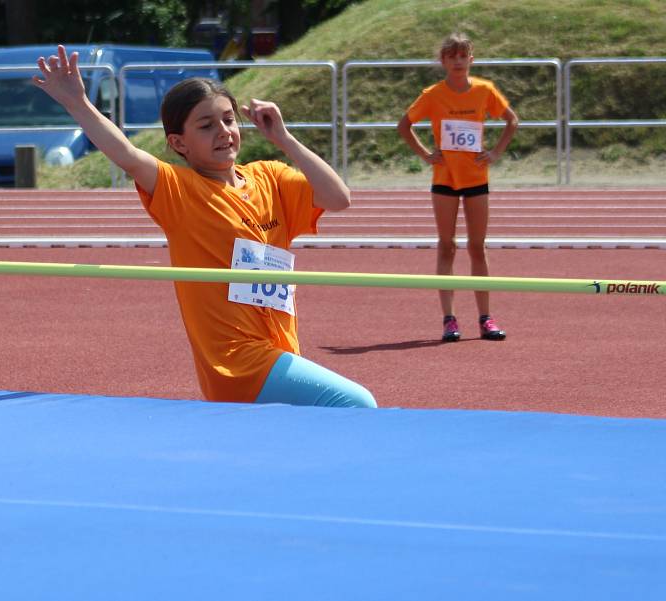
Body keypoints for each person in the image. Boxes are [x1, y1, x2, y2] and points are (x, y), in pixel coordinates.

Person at [34, 45, 377, 408]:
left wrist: (284, 139)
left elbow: (339, 198)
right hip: (237, 363)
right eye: (207, 125)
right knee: (356, 404)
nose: (223, 132)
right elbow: (127, 156)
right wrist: (78, 103)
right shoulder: (180, 190)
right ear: (178, 142)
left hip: (280, 349)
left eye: (228, 120)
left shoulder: (270, 177)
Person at [398, 33, 518, 343]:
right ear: (443, 61)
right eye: (451, 56)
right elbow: (404, 125)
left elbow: (511, 121)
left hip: (477, 178)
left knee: (477, 246)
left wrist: (495, 153)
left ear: (471, 60)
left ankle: (485, 318)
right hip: (444, 179)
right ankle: (449, 319)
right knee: (446, 245)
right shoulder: (433, 94)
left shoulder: (484, 91)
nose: (457, 61)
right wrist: (426, 154)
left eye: (462, 56)